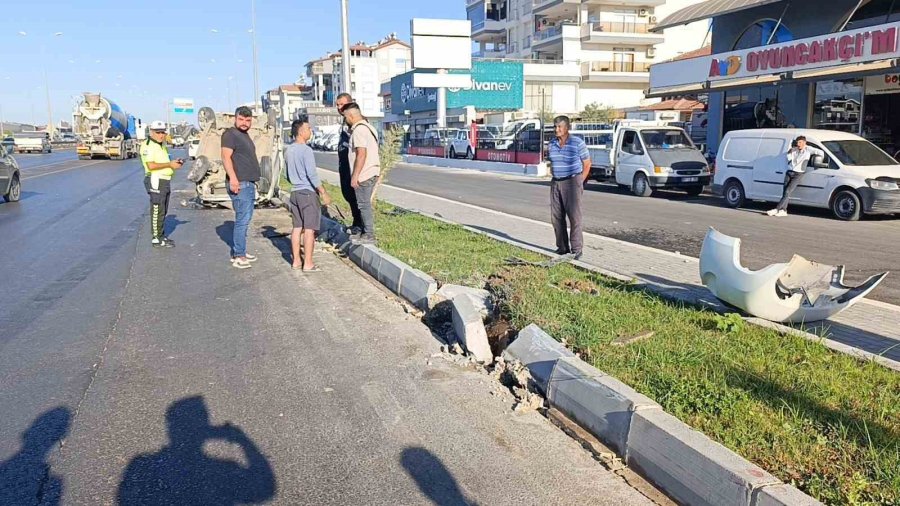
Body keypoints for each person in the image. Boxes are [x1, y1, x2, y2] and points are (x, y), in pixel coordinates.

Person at [285, 118, 331, 271]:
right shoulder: (306, 150)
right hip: (307, 193)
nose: (311, 131)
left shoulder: (289, 150)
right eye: (309, 128)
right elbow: (312, 174)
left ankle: (296, 261)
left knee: (297, 227)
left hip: (295, 193)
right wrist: (323, 192)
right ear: (301, 132)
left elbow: (286, 174)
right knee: (309, 229)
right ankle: (309, 263)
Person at [221, 106, 261, 269]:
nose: (244, 123)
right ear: (235, 119)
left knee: (245, 219)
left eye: (248, 120)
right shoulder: (230, 134)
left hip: (248, 183)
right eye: (241, 119)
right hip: (241, 183)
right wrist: (234, 179)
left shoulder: (244, 135)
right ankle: (239, 255)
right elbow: (225, 157)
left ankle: (241, 250)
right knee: (242, 221)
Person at [547, 115, 591, 259]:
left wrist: (579, 182)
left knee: (574, 217)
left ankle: (576, 249)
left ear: (567, 128)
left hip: (572, 182)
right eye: (555, 126)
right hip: (556, 182)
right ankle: (562, 247)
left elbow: (587, 163)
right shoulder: (551, 144)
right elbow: (552, 162)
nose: (556, 129)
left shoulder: (577, 143)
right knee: (556, 217)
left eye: (559, 126)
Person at [341, 102, 380, 244]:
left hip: (364, 174)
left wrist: (355, 175)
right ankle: (364, 232)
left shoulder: (358, 130)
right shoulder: (369, 128)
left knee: (363, 205)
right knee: (363, 204)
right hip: (372, 171)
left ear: (350, 115)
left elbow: (361, 154)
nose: (345, 120)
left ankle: (369, 234)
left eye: (345, 117)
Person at [141, 121, 183, 248]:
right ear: (152, 132)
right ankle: (156, 238)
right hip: (155, 179)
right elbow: (151, 165)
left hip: (164, 180)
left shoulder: (160, 145)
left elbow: (163, 162)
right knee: (157, 209)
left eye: (163, 132)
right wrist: (170, 165)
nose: (161, 135)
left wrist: (174, 163)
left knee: (163, 210)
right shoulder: (148, 145)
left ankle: (161, 235)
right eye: (158, 132)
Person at [767, 135, 824, 217]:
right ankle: (783, 210)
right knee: (785, 192)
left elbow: (821, 152)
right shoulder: (794, 149)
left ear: (804, 143)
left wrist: (811, 159)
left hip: (798, 174)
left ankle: (777, 209)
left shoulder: (809, 150)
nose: (798, 144)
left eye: (800, 142)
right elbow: (788, 157)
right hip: (789, 172)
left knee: (788, 191)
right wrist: (790, 149)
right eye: (797, 142)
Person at [335, 93, 364, 233]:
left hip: (353, 167)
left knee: (356, 197)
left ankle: (361, 225)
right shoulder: (344, 123)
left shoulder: (357, 123)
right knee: (347, 195)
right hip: (344, 166)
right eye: (337, 105)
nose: (339, 108)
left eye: (342, 104)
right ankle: (355, 221)